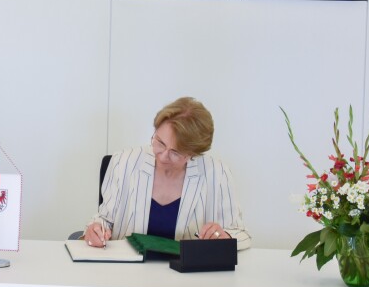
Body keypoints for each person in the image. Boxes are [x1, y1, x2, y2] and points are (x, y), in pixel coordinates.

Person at [84, 97, 250, 250]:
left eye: (176, 152)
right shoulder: (124, 162)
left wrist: (225, 236)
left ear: (194, 153)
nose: (163, 156)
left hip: (189, 277)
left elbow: (240, 233)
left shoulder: (217, 174)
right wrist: (96, 229)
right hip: (128, 273)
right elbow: (105, 220)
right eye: (160, 143)